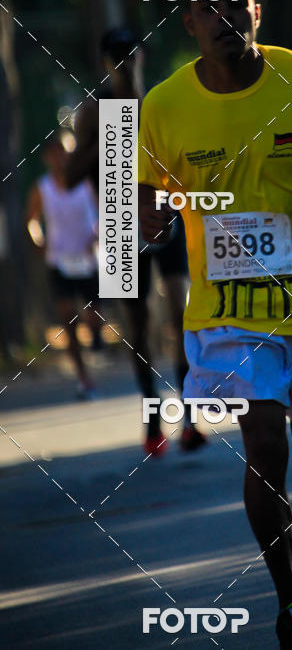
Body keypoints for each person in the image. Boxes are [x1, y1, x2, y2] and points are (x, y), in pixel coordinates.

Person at [138, 0, 292, 649]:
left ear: (256, 12)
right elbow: (145, 194)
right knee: (262, 446)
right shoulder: (165, 106)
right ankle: (290, 603)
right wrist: (151, 219)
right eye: (209, 8)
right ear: (190, 22)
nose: (225, 17)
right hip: (229, 312)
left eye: (236, 4)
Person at [65, 29, 206, 455]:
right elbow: (70, 177)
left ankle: (190, 418)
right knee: (139, 326)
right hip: (119, 224)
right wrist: (111, 139)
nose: (127, 62)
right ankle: (151, 419)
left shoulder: (161, 102)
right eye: (118, 57)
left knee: (180, 312)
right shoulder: (93, 111)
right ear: (105, 62)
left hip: (165, 214)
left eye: (132, 54)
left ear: (142, 55)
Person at [26, 135, 100, 399]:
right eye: (55, 154)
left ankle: (96, 334)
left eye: (64, 153)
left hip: (88, 259)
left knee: (93, 316)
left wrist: (97, 236)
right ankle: (84, 379)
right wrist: (39, 241)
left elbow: (103, 212)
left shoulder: (87, 183)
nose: (60, 158)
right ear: (48, 158)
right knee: (68, 320)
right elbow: (32, 221)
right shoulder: (42, 188)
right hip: (59, 262)